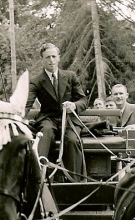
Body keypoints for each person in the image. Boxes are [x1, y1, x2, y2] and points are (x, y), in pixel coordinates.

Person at [25, 43, 88, 182]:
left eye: (54, 56)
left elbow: (83, 100)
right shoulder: (36, 81)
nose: (51, 60)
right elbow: (27, 105)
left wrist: (74, 105)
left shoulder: (70, 76)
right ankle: (39, 179)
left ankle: (75, 182)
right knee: (44, 134)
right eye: (47, 57)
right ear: (42, 60)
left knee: (72, 140)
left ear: (59, 58)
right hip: (48, 119)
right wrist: (17, 118)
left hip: (69, 120)